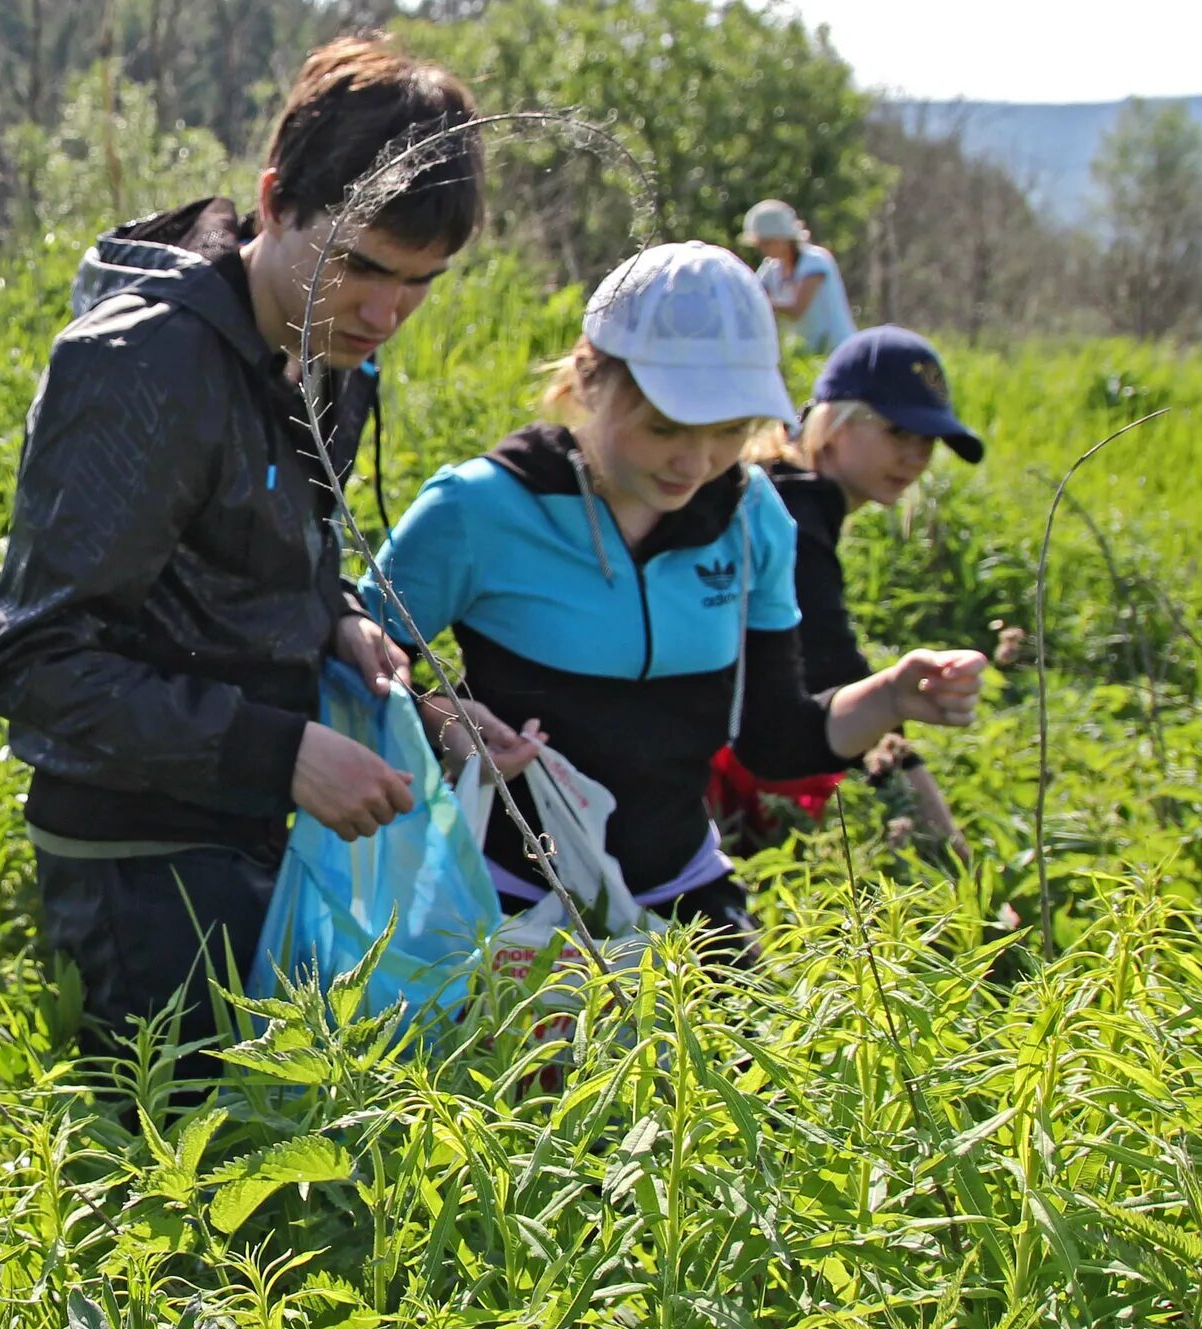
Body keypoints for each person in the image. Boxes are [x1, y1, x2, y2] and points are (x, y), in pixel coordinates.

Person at [0, 35, 484, 1066]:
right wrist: (283, 752)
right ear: (274, 200)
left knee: (324, 1162)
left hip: (262, 819)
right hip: (138, 856)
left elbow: (255, 554)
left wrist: (340, 620)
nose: (386, 313)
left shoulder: (326, 352)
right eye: (359, 265)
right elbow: (38, 667)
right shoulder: (138, 365)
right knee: (187, 1173)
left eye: (421, 283)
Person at [364, 242, 985, 956]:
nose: (695, 463)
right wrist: (437, 719)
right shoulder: (479, 508)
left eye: (727, 434)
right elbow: (353, 661)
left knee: (752, 1063)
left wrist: (889, 699)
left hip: (683, 895)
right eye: (664, 428)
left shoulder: (753, 521)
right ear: (589, 381)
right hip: (505, 894)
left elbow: (774, 740)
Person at [720, 323, 988, 858]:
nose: (916, 457)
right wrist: (954, 851)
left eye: (927, 441)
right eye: (897, 432)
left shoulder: (784, 492)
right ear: (836, 423)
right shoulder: (793, 514)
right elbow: (837, 681)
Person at [743, 198, 854, 354]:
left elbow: (797, 309)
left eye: (767, 243)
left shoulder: (815, 261)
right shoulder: (771, 268)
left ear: (784, 238)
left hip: (838, 351)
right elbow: (750, 294)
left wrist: (760, 301)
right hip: (806, 355)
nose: (762, 249)